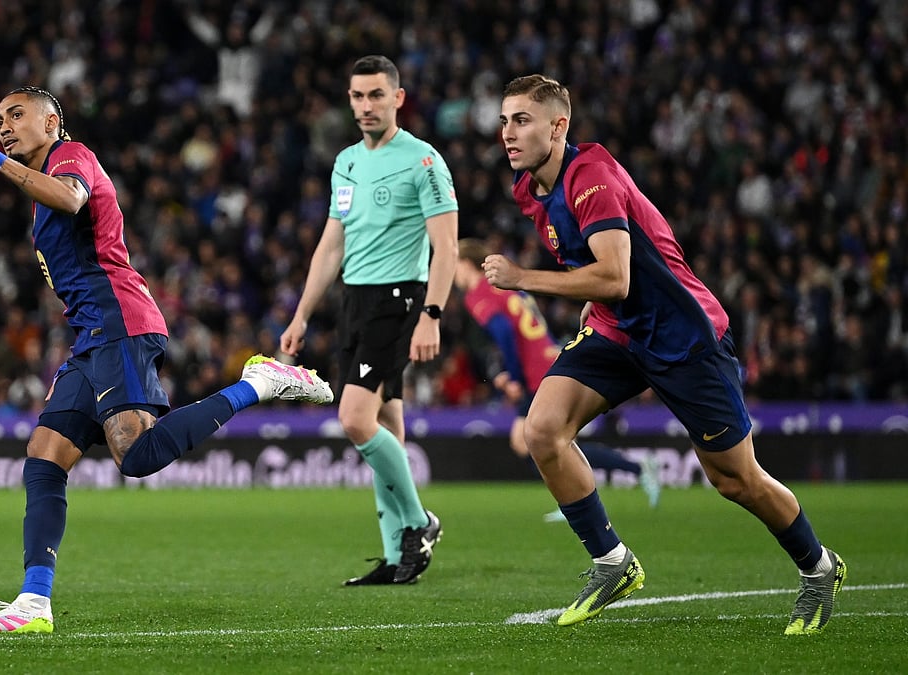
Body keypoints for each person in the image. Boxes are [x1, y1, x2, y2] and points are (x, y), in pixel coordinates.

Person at [0, 86, 334, 634]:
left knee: (136, 456)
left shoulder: (71, 156)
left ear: (52, 121)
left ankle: (259, 383)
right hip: (91, 336)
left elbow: (71, 199)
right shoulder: (41, 184)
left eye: (16, 115)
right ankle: (33, 602)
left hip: (120, 321)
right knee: (44, 455)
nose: (5, 126)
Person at [483, 74, 845, 634]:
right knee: (543, 429)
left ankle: (819, 567)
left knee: (736, 480)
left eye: (522, 120)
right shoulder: (529, 188)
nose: (507, 132)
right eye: (504, 120)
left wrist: (523, 278)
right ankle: (612, 562)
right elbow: (596, 267)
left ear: (558, 127)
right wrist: (590, 296)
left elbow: (616, 276)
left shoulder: (590, 177)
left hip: (683, 336)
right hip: (617, 330)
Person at [280, 56, 457, 586]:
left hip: (400, 299)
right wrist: (301, 314)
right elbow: (331, 246)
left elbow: (446, 247)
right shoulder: (347, 162)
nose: (365, 106)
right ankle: (397, 555)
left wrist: (432, 315)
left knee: (355, 419)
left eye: (376, 95)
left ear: (398, 98)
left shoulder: (423, 160)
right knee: (386, 426)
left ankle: (420, 522)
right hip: (354, 303)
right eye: (357, 96)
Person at [452, 238, 660, 518]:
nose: (453, 274)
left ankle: (584, 494)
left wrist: (514, 378)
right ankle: (586, 491)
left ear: (466, 264)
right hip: (548, 359)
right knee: (538, 441)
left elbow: (504, 333)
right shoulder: (502, 287)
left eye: (455, 265)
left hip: (534, 372)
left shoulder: (478, 293)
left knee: (542, 441)